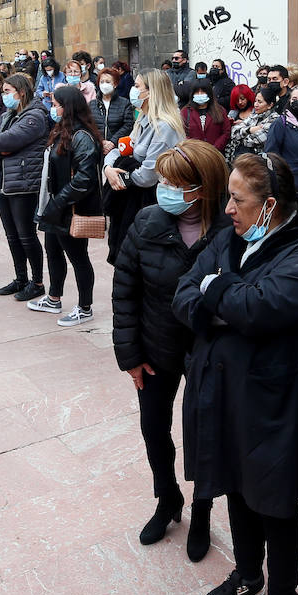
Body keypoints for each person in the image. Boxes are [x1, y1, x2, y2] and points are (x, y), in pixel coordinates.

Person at [173, 152, 298, 595]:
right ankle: (247, 575)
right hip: (220, 394)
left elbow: (265, 307)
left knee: (275, 502)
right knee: (235, 490)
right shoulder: (227, 238)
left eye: (239, 201)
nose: (229, 211)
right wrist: (227, 302)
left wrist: (217, 291)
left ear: (270, 207)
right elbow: (183, 294)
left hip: (274, 405)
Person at [112, 140, 231, 562]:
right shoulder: (147, 221)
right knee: (154, 429)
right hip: (156, 346)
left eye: (175, 183)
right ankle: (167, 500)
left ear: (204, 186)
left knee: (205, 435)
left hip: (207, 353)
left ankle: (202, 510)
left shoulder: (230, 229)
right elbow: (125, 289)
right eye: (162, 180)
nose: (165, 188)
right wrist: (129, 354)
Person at [29, 85, 104, 326]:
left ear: (68, 107)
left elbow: (85, 178)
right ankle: (53, 298)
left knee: (78, 257)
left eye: (56, 105)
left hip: (70, 207)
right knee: (53, 251)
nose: (53, 108)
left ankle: (85, 307)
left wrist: (60, 201)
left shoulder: (81, 136)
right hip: (56, 206)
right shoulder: (62, 130)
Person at [104, 69, 185, 263]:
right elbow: (120, 149)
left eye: (137, 86)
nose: (132, 90)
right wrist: (108, 169)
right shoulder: (143, 119)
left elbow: (148, 175)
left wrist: (119, 177)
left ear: (151, 92)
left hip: (150, 202)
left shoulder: (164, 127)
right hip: (133, 198)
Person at [0, 72, 50, 301]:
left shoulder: (35, 116)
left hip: (24, 182)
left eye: (7, 92)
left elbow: (6, 140)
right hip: (3, 180)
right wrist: (0, 148)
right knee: (11, 235)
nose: (4, 97)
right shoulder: (7, 115)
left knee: (26, 235)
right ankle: (20, 277)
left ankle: (37, 281)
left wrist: (1, 144)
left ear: (21, 92)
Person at [226, 85, 279, 164]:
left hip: (259, 163)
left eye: (260, 102)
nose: (256, 105)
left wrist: (242, 134)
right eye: (255, 101)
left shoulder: (274, 119)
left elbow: (252, 141)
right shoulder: (254, 115)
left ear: (270, 105)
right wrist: (250, 130)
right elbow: (234, 132)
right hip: (240, 159)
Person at [91, 65, 135, 158]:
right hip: (96, 148)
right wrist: (101, 141)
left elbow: (128, 125)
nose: (104, 85)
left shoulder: (124, 103)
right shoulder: (92, 104)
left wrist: (112, 142)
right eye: (102, 82)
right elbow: (89, 125)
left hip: (117, 148)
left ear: (115, 84)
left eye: (108, 82)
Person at [182, 77, 232, 153]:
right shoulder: (185, 112)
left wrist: (214, 148)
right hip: (194, 155)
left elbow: (226, 132)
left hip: (215, 154)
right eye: (197, 92)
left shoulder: (220, 110)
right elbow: (183, 133)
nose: (200, 94)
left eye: (203, 92)